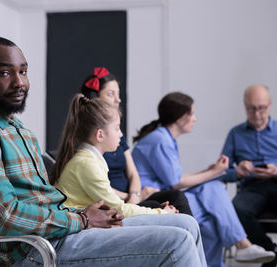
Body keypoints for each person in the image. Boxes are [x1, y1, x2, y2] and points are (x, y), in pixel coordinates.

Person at [0, 36, 207, 267]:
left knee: (186, 224)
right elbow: (7, 217)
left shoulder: (17, 129)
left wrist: (87, 215)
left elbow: (42, 198)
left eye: (23, 72)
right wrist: (82, 219)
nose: (19, 82)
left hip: (62, 234)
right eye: (5, 73)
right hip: (35, 251)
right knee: (177, 242)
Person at [132, 92, 275, 267]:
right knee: (213, 194)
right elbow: (176, 182)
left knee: (210, 221)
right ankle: (242, 244)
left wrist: (210, 171)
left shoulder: (164, 138)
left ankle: (237, 249)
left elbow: (176, 178)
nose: (195, 118)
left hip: (166, 196)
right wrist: (214, 173)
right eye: (192, 114)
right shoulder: (160, 140)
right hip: (154, 201)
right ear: (181, 117)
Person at [78, 67, 192, 215]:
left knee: (176, 196)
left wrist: (136, 195)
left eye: (118, 94)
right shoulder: (86, 148)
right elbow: (100, 189)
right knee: (155, 205)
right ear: (95, 99)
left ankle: (191, 238)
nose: (118, 99)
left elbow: (133, 173)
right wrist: (131, 198)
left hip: (130, 196)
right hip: (112, 200)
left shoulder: (116, 137)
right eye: (111, 94)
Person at [50, 93, 178, 217]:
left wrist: (156, 211)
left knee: (158, 207)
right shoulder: (87, 164)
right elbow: (119, 211)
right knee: (178, 219)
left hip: (88, 222)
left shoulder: (90, 159)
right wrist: (163, 214)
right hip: (80, 229)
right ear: (100, 135)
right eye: (117, 128)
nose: (121, 134)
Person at [221, 84, 277, 267]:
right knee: (236, 209)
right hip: (252, 187)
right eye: (251, 108)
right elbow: (221, 172)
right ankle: (269, 251)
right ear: (245, 105)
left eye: (262, 108)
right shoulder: (235, 134)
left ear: (270, 105)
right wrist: (238, 171)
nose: (257, 113)